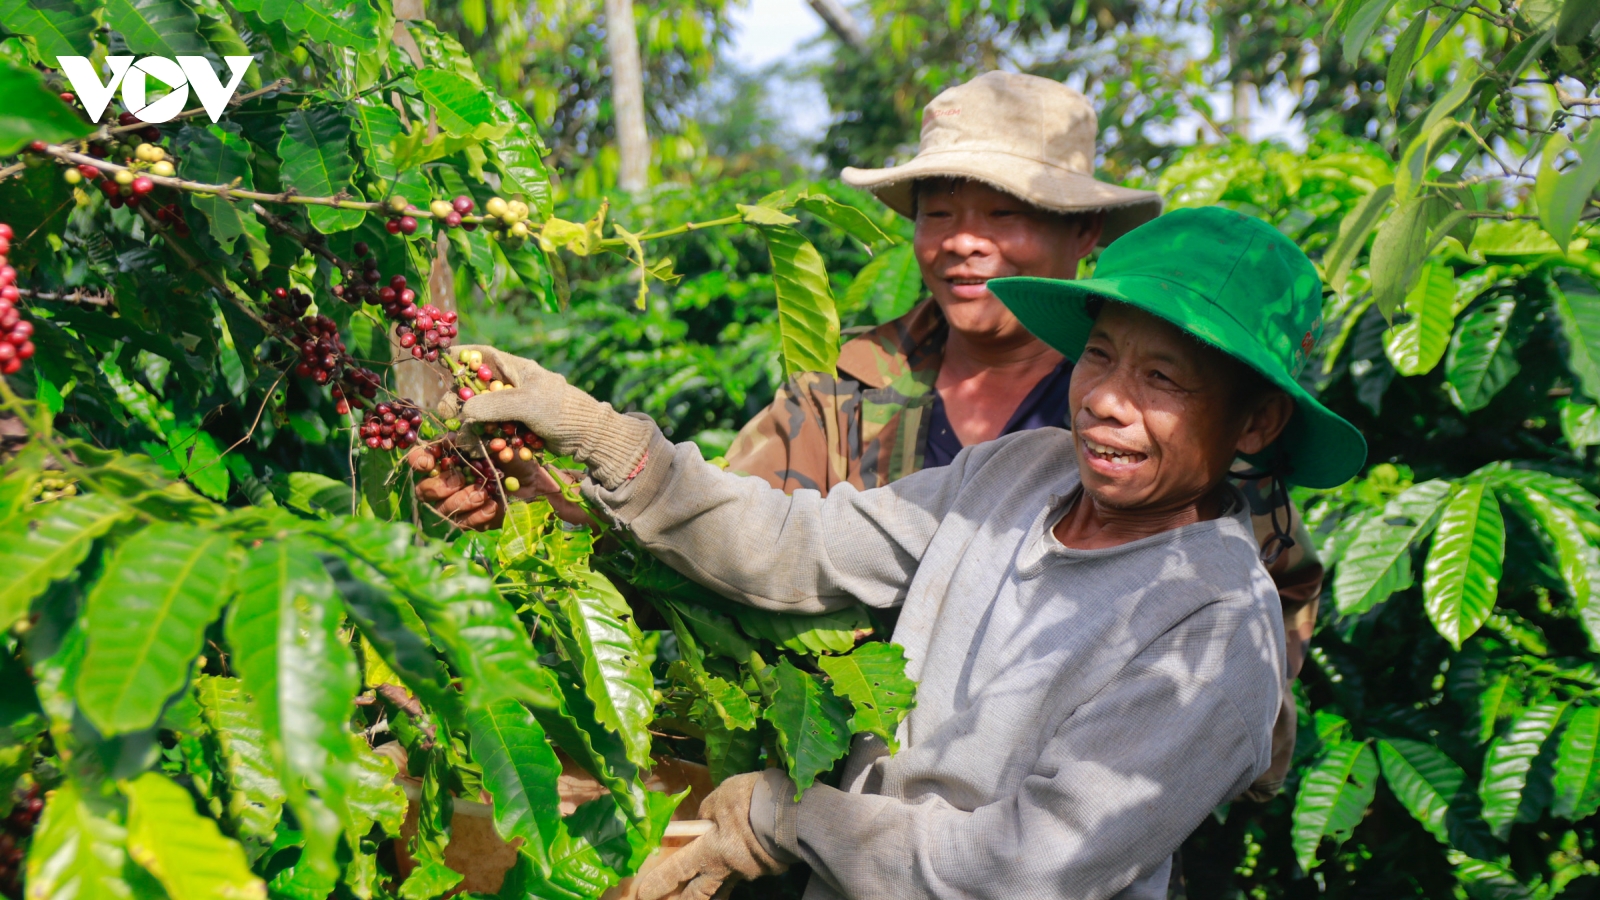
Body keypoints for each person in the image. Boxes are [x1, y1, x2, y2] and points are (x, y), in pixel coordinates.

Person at [421, 206, 1368, 899]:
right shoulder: (1021, 474)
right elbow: (801, 544)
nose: (1108, 399)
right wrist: (606, 440)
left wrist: (792, 819)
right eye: (1102, 355)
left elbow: (1022, 870)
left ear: (1257, 419)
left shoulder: (1216, 635)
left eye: (1162, 377)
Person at [723, 71, 1323, 801]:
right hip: (834, 809)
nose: (964, 243)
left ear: (1086, 231)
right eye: (939, 213)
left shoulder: (1168, 425)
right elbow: (747, 535)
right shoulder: (841, 388)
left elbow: (1272, 597)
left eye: (1004, 214)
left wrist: (1200, 722)